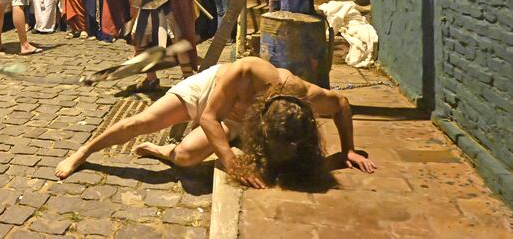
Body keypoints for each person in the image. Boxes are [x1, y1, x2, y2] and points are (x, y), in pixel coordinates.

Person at [56, 57, 377, 186]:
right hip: (210, 92)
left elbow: (342, 104)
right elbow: (209, 116)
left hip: (235, 119)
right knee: (143, 120)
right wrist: (230, 161)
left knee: (184, 157)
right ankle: (84, 151)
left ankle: (161, 150)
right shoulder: (248, 71)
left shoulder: (305, 95)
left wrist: (348, 149)